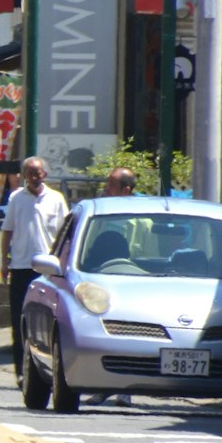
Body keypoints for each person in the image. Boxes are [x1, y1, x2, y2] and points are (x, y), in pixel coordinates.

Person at [0, 155, 68, 375]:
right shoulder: (16, 198)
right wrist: (4, 262)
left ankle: (45, 368)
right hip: (21, 267)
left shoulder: (56, 199)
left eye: (37, 172)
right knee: (19, 319)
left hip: (47, 269)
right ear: (24, 176)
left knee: (48, 319)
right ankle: (21, 369)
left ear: (45, 174)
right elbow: (7, 231)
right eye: (30, 172)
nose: (34, 177)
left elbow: (64, 234)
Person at [87, 167, 137, 407]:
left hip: (136, 286)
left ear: (126, 190)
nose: (106, 190)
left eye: (111, 185)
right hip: (106, 286)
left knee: (131, 339)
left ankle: (125, 389)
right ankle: (105, 386)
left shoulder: (142, 217)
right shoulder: (103, 214)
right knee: (108, 338)